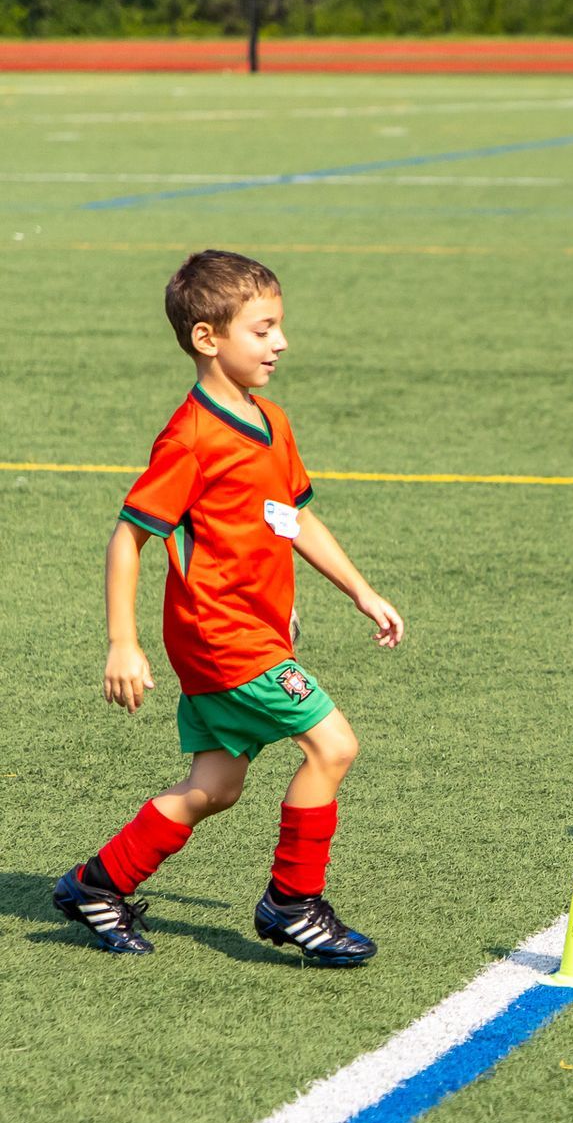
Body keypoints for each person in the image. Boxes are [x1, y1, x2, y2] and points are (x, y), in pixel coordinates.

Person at [52, 250, 404, 963]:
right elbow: (129, 537)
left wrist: (361, 591)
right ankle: (292, 903)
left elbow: (292, 519)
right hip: (222, 637)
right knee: (333, 745)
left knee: (214, 786)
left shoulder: (269, 420)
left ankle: (96, 884)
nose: (280, 344)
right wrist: (124, 642)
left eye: (279, 327)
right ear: (208, 339)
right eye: (263, 329)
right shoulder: (191, 437)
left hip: (254, 632)